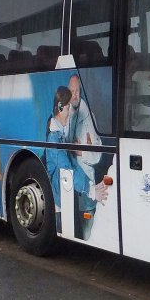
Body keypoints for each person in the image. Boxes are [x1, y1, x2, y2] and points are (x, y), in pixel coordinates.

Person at [44, 85, 108, 234]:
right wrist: (91, 191)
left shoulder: (60, 134)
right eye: (67, 109)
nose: (69, 113)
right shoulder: (54, 137)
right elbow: (68, 170)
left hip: (63, 198)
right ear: (60, 107)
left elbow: (72, 163)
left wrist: (91, 186)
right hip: (58, 203)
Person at [66, 74, 106, 239]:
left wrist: (81, 151)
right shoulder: (64, 115)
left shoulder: (89, 117)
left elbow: (97, 155)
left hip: (85, 186)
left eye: (77, 91)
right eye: (71, 91)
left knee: (87, 234)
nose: (75, 95)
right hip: (68, 184)